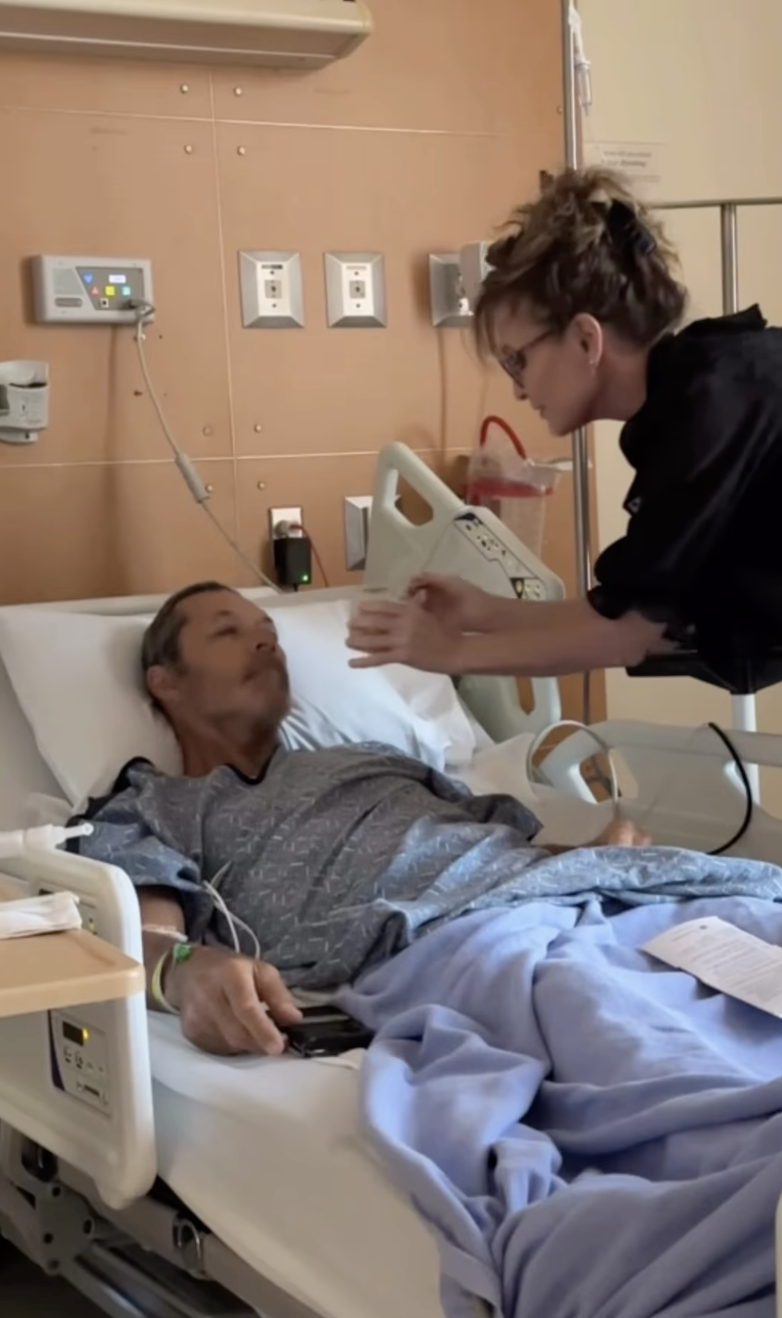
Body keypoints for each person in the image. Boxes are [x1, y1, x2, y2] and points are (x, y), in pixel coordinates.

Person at [72, 581, 647, 1059]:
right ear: (165, 683)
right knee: (639, 1037)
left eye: (269, 634)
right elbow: (148, 936)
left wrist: (596, 851)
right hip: (464, 950)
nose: (265, 645)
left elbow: (499, 851)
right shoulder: (153, 805)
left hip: (594, 905)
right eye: (229, 632)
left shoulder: (375, 759)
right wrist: (181, 972)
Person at [347, 167, 782, 694]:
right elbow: (631, 610)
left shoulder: (716, 405)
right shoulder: (697, 400)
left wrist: (452, 651)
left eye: (517, 361)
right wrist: (485, 612)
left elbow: (626, 636)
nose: (518, 390)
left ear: (584, 340)